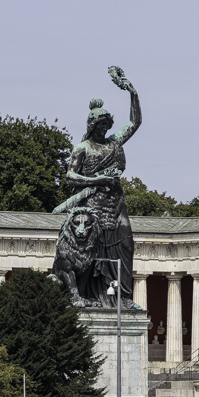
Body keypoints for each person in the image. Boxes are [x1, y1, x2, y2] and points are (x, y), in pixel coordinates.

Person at [53, 66, 142, 308]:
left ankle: (122, 297)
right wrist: (97, 180)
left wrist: (132, 92)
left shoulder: (115, 142)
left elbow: (135, 122)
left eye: (106, 124)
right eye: (100, 124)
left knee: (126, 245)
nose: (104, 128)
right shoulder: (82, 148)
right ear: (92, 125)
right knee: (93, 251)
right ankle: (88, 295)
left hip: (115, 202)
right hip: (91, 205)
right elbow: (70, 177)